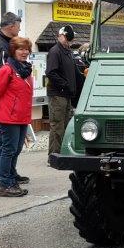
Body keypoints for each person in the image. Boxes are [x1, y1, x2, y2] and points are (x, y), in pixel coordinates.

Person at [0, 36, 34, 198]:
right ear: (13, 51)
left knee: (16, 149)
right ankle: (5, 184)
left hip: (21, 117)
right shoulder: (7, 69)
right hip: (8, 117)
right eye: (20, 49)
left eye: (26, 49)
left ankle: (11, 178)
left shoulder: (25, 69)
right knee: (8, 150)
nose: (24, 52)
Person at [0, 11, 21, 188]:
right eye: (18, 25)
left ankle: (8, 172)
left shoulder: (8, 42)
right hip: (0, 98)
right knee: (0, 137)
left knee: (9, 139)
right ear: (10, 26)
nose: (20, 28)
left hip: (10, 98)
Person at [46, 26, 80, 156]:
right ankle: (53, 155)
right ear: (61, 35)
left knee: (65, 126)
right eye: (67, 38)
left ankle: (63, 153)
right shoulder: (55, 51)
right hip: (58, 95)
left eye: (70, 39)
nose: (69, 41)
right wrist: (65, 85)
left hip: (67, 94)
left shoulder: (68, 52)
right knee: (57, 127)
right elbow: (51, 72)